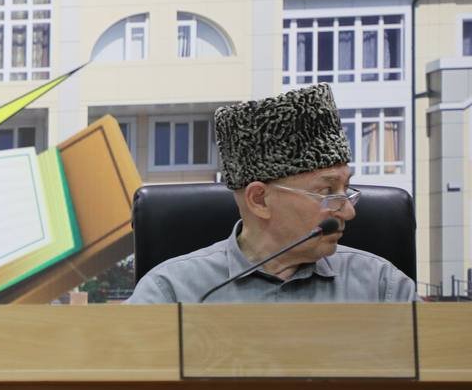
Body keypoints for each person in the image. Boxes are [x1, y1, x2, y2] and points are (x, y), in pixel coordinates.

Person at [127, 83, 414, 304]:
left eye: (346, 189)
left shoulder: (382, 287)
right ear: (259, 200)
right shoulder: (172, 292)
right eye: (327, 191)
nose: (349, 211)